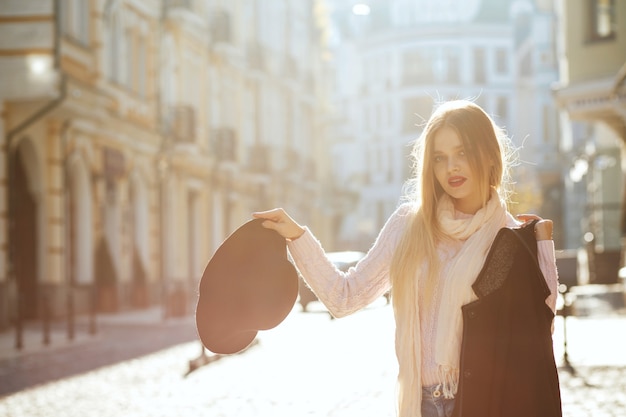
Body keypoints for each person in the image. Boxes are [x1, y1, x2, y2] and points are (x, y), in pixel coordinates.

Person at [253, 100, 560, 417]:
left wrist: (541, 243)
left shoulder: (509, 236)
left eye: (462, 152)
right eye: (440, 158)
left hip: (483, 403)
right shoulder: (408, 227)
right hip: (422, 404)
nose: (451, 167)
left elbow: (540, 325)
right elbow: (344, 297)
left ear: (488, 155)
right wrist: (296, 236)